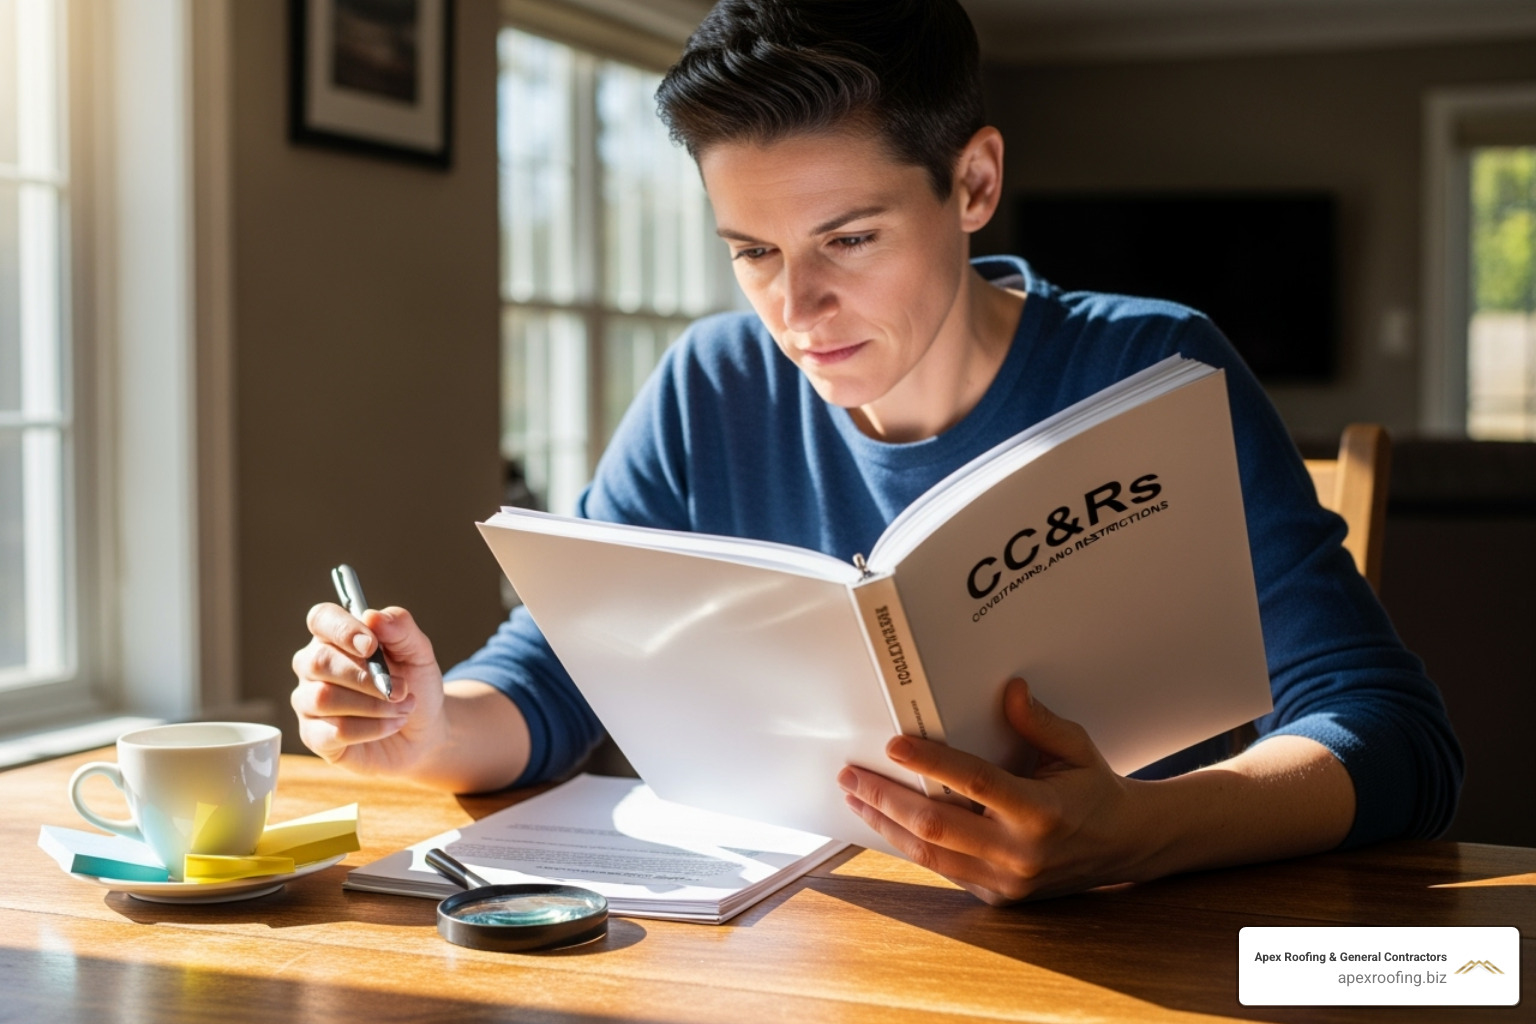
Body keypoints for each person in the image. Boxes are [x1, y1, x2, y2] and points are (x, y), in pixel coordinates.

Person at [291, 0, 1462, 904]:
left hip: (1146, 948)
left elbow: (1394, 735)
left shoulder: (1155, 369)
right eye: (752, 250)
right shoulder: (712, 382)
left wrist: (1140, 830)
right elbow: (550, 679)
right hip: (823, 946)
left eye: (848, 238)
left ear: (975, 182)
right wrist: (428, 726)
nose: (796, 308)